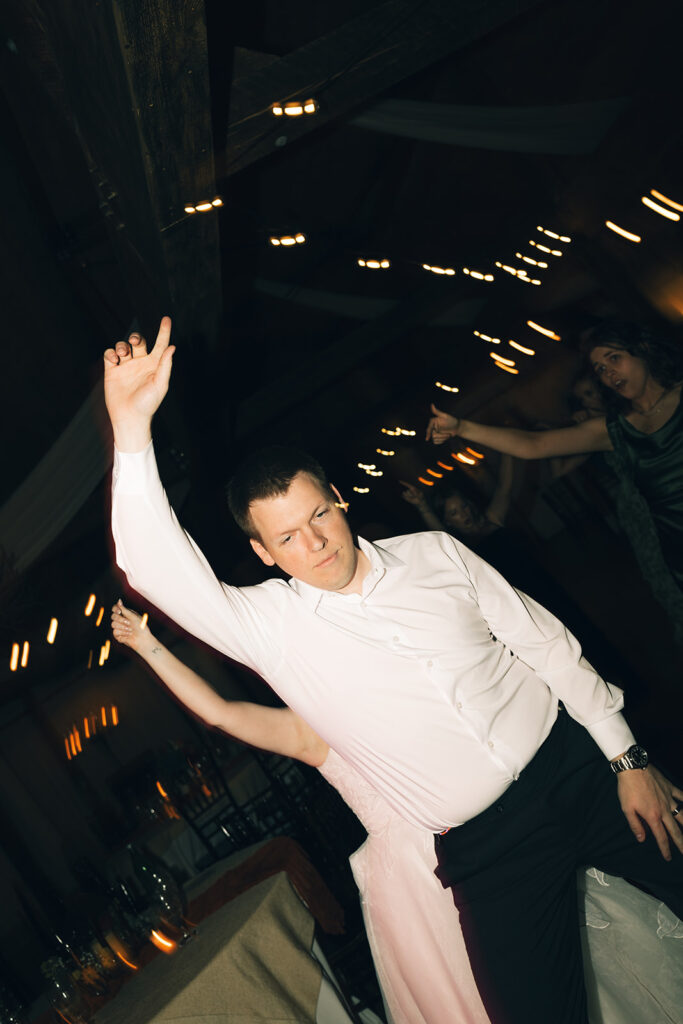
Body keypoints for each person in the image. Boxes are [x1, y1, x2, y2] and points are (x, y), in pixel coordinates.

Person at [104, 317, 682, 1024]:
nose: (315, 543)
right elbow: (154, 567)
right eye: (288, 536)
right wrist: (130, 432)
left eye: (320, 515)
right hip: (487, 850)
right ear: (262, 553)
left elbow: (544, 645)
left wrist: (625, 756)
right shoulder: (266, 627)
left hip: (579, 773)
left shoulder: (436, 554)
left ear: (338, 501)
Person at [111, 601, 683, 1024]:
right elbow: (221, 713)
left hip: (495, 837)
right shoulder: (312, 732)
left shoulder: (391, 684)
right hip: (418, 880)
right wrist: (149, 646)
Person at [426, 319, 683, 634]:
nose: (609, 372)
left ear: (641, 350)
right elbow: (533, 445)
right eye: (600, 369)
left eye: (614, 358)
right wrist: (463, 428)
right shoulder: (613, 428)